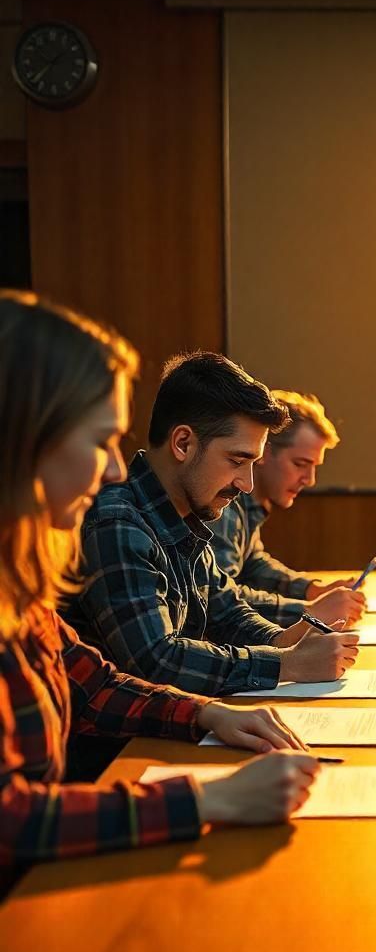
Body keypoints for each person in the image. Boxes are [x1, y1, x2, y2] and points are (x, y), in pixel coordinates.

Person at [0, 291, 321, 887]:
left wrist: (207, 712)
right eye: (100, 441)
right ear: (26, 440)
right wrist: (207, 801)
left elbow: (92, 684)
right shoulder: (115, 518)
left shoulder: (18, 584)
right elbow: (11, 822)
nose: (116, 468)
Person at [62, 352, 359, 696]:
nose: (247, 484)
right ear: (183, 443)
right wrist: (287, 663)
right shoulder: (118, 522)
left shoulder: (184, 512)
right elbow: (157, 661)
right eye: (237, 460)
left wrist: (283, 639)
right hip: (118, 747)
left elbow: (226, 610)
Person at [210, 390, 365, 628]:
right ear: (263, 450)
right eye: (300, 464)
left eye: (314, 467)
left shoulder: (250, 506)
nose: (310, 480)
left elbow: (253, 563)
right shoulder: (225, 505)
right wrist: (310, 611)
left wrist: (312, 590)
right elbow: (221, 601)